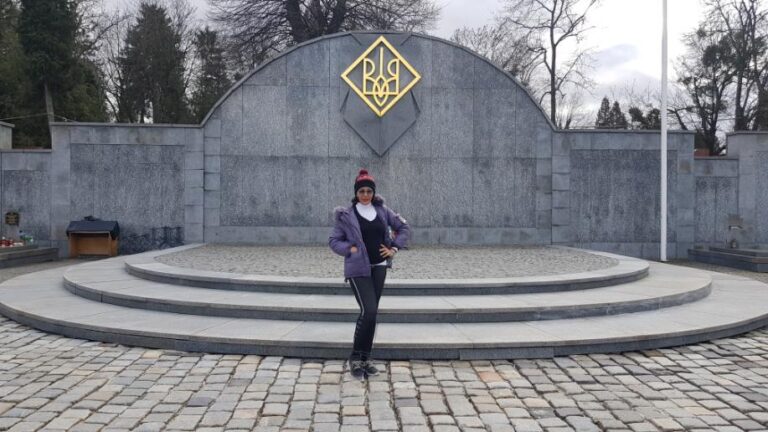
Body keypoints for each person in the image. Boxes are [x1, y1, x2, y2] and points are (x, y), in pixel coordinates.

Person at [329, 169, 411, 380]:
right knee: (369, 310)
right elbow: (334, 241)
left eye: (369, 191)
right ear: (356, 192)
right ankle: (355, 357)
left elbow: (403, 228)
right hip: (358, 270)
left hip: (380, 267)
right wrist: (350, 249)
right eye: (362, 191)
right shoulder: (347, 215)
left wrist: (393, 249)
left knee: (371, 314)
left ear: (373, 193)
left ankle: (366, 358)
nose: (365, 195)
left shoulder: (383, 211)